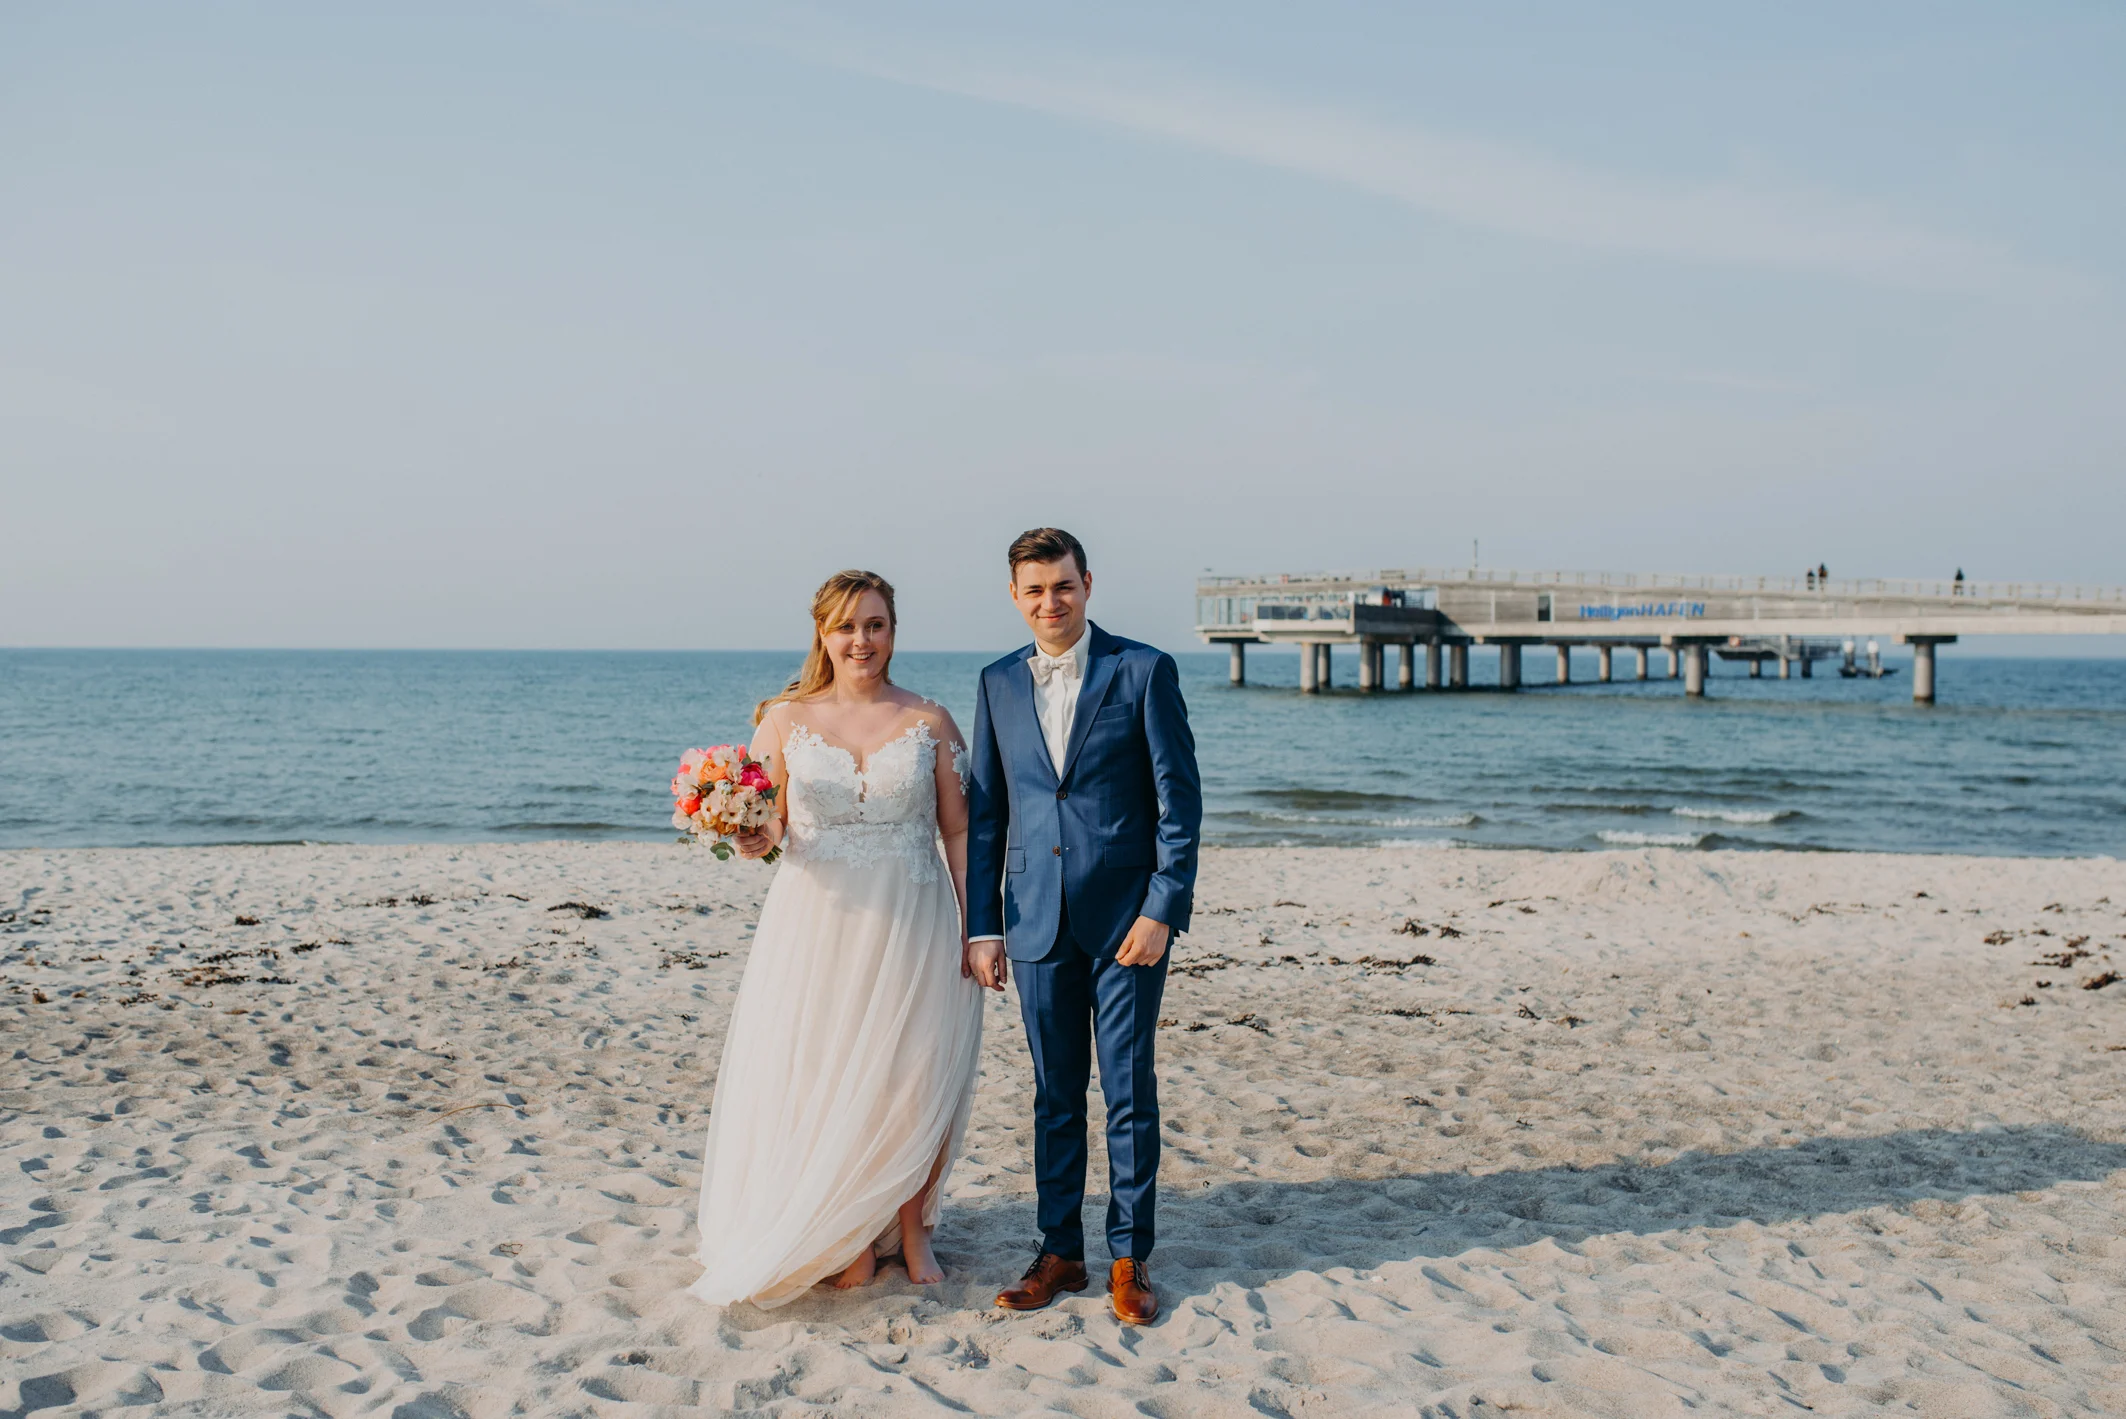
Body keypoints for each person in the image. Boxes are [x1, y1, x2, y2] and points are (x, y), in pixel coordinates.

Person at [689, 571, 983, 1307]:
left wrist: (980, 926)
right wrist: (753, 835)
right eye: (848, 626)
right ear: (823, 632)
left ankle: (915, 1230)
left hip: (915, 917)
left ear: (893, 631)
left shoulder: (931, 720)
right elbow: (772, 820)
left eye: (877, 625)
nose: (863, 640)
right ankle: (850, 1235)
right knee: (826, 1072)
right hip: (818, 926)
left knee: (912, 1076)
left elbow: (958, 829)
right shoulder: (786, 720)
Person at [963, 528, 1203, 1326]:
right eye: (1033, 590)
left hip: (1126, 923)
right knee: (1054, 1095)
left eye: (1061, 586)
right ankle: (1060, 1252)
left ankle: (1130, 1257)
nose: (1049, 602)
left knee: (1129, 1090)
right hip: (1034, 922)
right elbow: (989, 813)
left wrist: (1163, 907)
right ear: (1015, 596)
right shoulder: (997, 682)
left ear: (1088, 584)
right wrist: (983, 924)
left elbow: (1180, 802)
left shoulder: (1142, 669)